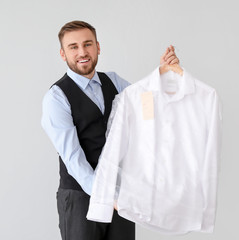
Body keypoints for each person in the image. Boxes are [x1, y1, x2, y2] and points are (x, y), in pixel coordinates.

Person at [41, 20, 180, 240]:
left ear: (98, 47)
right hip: (80, 197)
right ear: (62, 54)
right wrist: (104, 194)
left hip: (119, 193)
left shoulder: (114, 81)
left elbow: (147, 108)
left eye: (87, 44)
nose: (82, 52)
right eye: (73, 47)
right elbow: (73, 157)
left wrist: (162, 75)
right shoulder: (56, 97)